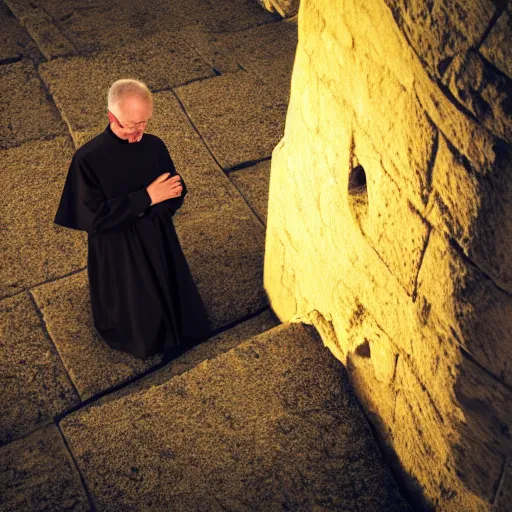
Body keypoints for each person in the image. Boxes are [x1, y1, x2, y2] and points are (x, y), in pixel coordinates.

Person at [54, 78, 211, 360]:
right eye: (131, 124)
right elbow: (93, 218)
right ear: (111, 117)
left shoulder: (154, 146)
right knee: (136, 300)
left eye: (144, 122)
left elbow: (175, 190)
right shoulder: (87, 159)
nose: (139, 131)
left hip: (156, 234)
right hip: (118, 249)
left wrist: (159, 201)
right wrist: (147, 198)